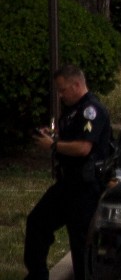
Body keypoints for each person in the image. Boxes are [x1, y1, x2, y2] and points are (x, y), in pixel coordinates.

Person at [25, 65, 112, 280]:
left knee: (80, 242)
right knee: (37, 222)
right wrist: (53, 134)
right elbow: (69, 136)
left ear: (77, 84)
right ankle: (36, 275)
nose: (60, 94)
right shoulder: (72, 111)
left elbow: (83, 148)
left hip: (85, 188)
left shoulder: (91, 110)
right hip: (66, 184)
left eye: (63, 89)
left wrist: (53, 144)